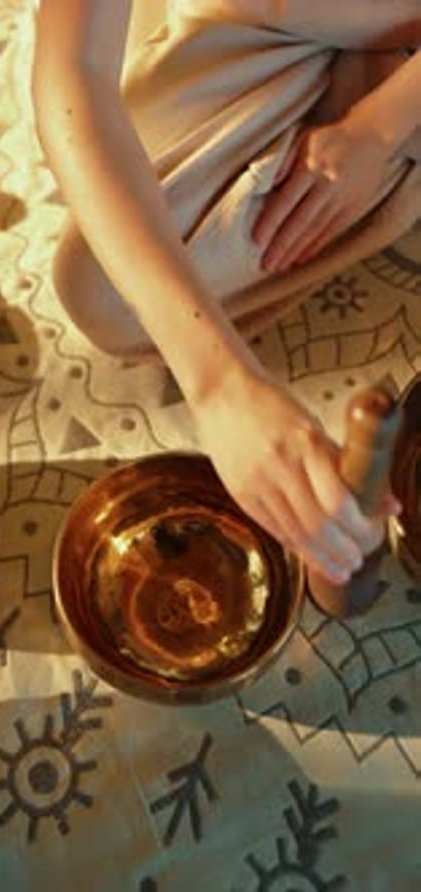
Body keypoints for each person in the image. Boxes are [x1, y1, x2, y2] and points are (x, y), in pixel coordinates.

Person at [32, 0, 421, 586]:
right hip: (275, 20)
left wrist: (377, 127)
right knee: (106, 290)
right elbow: (74, 73)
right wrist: (220, 383)